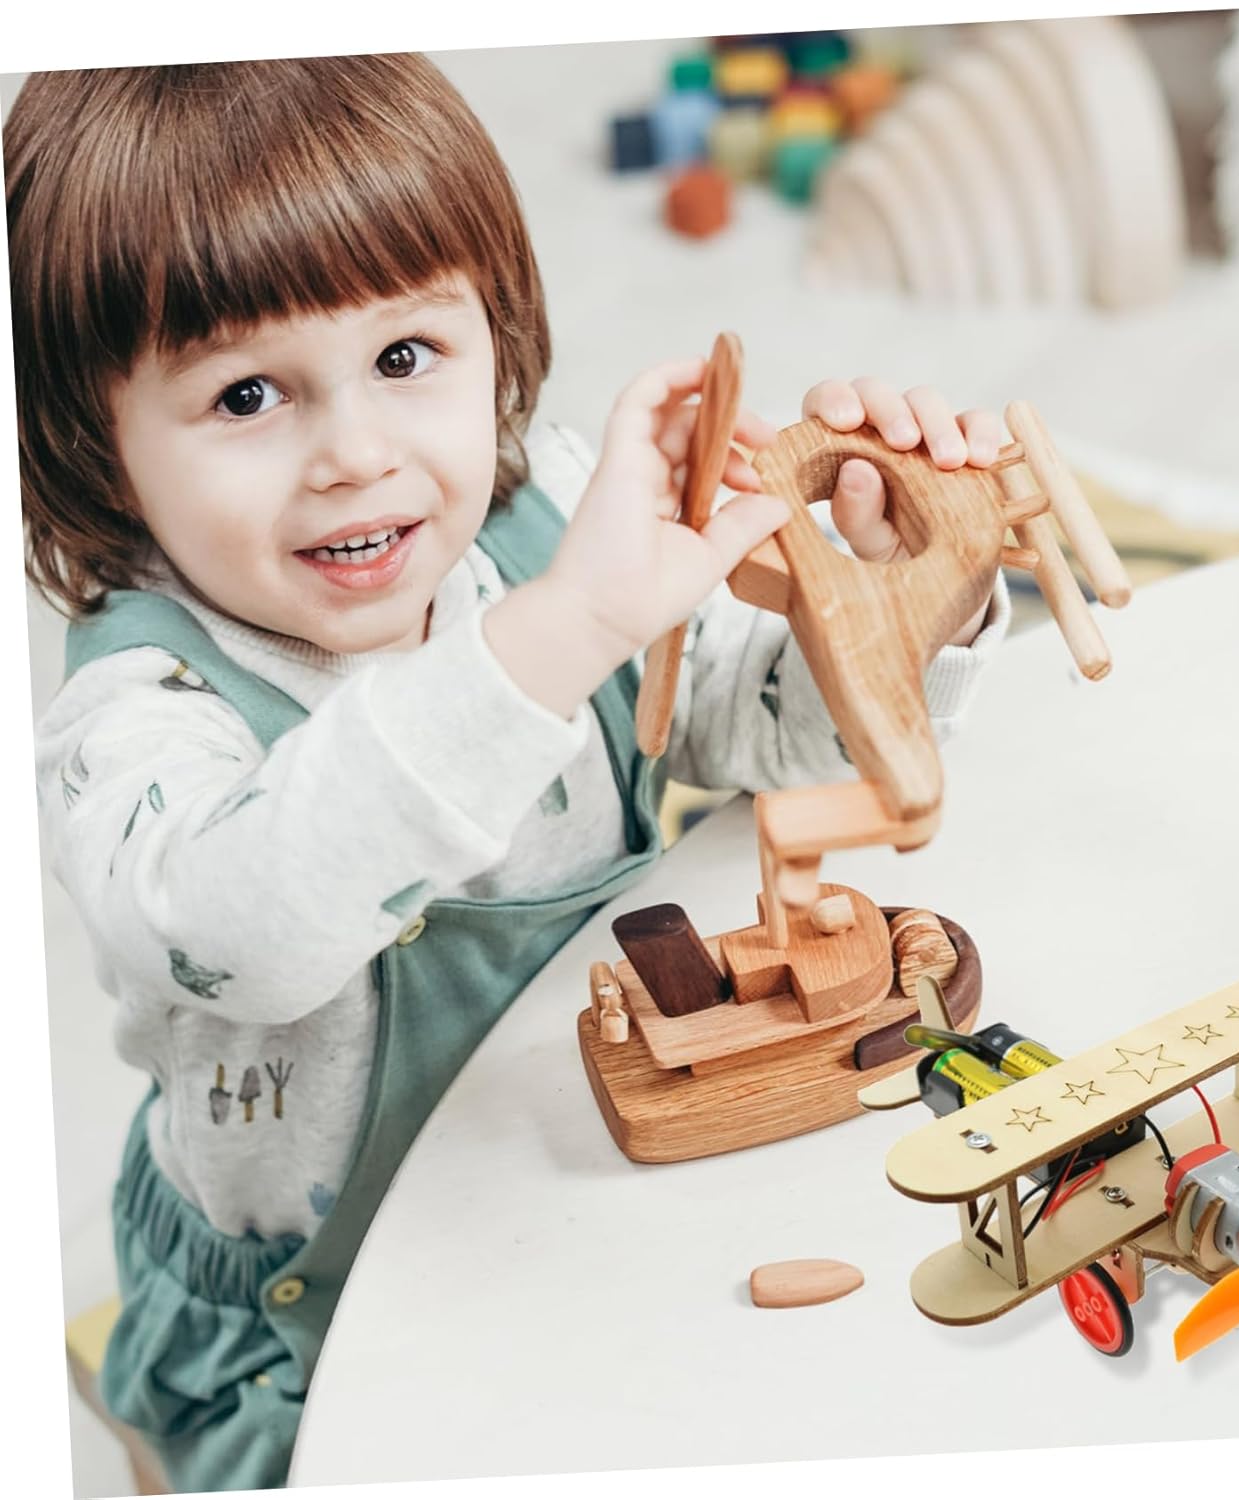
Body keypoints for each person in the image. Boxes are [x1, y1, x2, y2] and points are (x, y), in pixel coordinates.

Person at [7, 54, 1013, 1492]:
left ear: (498, 333)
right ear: (94, 448)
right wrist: (566, 632)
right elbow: (245, 927)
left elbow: (767, 726)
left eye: (405, 357)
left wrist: (909, 586)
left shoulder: (546, 529)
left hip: (590, 1178)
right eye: (246, 394)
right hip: (311, 1323)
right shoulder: (135, 717)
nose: (357, 455)